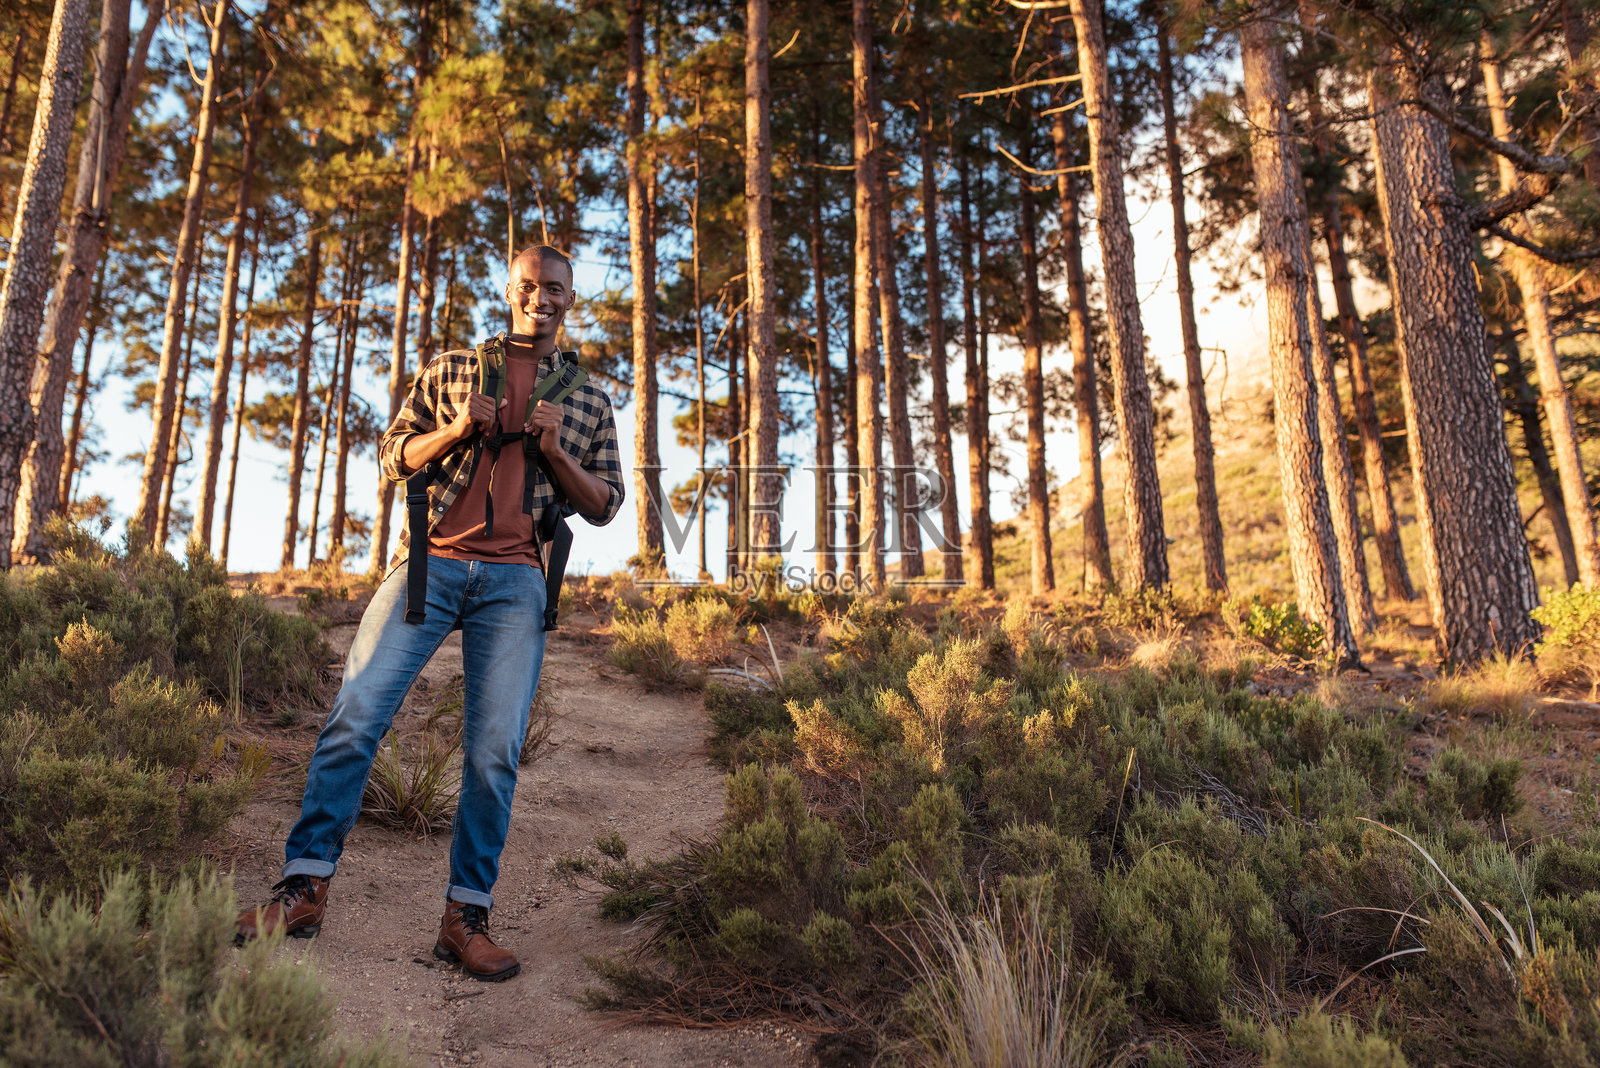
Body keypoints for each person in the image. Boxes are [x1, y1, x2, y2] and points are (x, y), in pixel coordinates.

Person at [236, 245, 625, 982]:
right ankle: (305, 888)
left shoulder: (587, 399)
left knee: (494, 752)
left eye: (556, 289)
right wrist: (453, 431)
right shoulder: (450, 370)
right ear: (509, 289)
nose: (542, 297)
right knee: (355, 717)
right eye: (530, 285)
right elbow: (390, 457)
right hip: (428, 566)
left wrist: (553, 453)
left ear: (570, 300)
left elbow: (606, 505)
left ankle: (464, 918)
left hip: (516, 583)